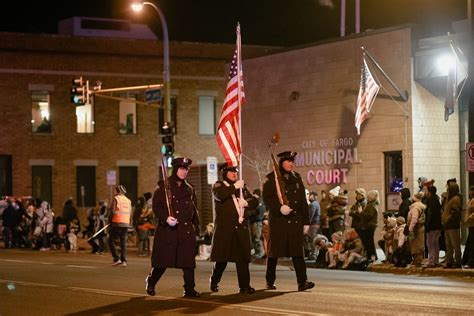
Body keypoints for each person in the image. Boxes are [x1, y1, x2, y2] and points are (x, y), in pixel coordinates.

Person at [145, 157, 201, 298]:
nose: (184, 172)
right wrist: (165, 218)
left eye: (186, 169)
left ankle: (189, 289)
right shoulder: (164, 186)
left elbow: (194, 209)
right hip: (169, 229)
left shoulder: (190, 187)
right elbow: (156, 206)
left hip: (186, 229)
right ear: (176, 169)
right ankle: (151, 281)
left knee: (188, 262)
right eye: (182, 169)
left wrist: (197, 227)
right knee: (162, 262)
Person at [262, 151, 315, 291]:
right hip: (279, 220)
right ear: (281, 163)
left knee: (298, 253)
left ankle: (302, 282)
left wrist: (306, 221)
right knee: (274, 253)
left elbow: (303, 201)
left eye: (292, 161)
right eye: (288, 161)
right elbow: (267, 198)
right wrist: (279, 208)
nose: (291, 164)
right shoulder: (271, 178)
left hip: (295, 220)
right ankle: (269, 280)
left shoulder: (297, 178)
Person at [209, 165, 259, 294]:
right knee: (222, 260)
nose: (234, 173)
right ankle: (214, 281)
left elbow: (255, 201)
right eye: (231, 171)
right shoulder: (219, 185)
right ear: (224, 173)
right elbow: (220, 195)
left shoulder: (242, 186)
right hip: (225, 229)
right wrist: (235, 187)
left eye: (235, 171)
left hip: (240, 228)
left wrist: (247, 203)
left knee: (242, 259)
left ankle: (244, 286)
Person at [108, 184, 132, 267]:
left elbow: (112, 211)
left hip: (117, 222)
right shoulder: (128, 200)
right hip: (125, 223)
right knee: (123, 242)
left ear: (118, 191)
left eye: (115, 190)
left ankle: (116, 259)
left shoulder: (116, 199)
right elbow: (130, 213)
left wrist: (110, 221)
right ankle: (124, 261)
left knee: (110, 240)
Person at [442, 181, 462, 268]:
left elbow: (455, 212)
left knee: (455, 245)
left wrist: (447, 219)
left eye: (449, 189)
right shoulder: (449, 199)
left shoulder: (455, 199)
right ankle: (450, 261)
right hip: (448, 225)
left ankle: (458, 262)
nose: (448, 190)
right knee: (448, 245)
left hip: (453, 225)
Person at [424, 186, 442, 268]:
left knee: (430, 243)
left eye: (427, 191)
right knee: (436, 243)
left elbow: (429, 215)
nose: (426, 193)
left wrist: (427, 225)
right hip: (437, 225)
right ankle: (436, 260)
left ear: (430, 192)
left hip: (431, 226)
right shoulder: (437, 200)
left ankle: (431, 261)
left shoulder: (430, 201)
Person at [249, 189, 265, 259]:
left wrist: (252, 213)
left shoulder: (259, 202)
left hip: (257, 222)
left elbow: (259, 211)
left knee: (256, 237)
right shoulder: (259, 202)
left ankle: (260, 252)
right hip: (255, 221)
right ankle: (257, 251)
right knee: (254, 237)